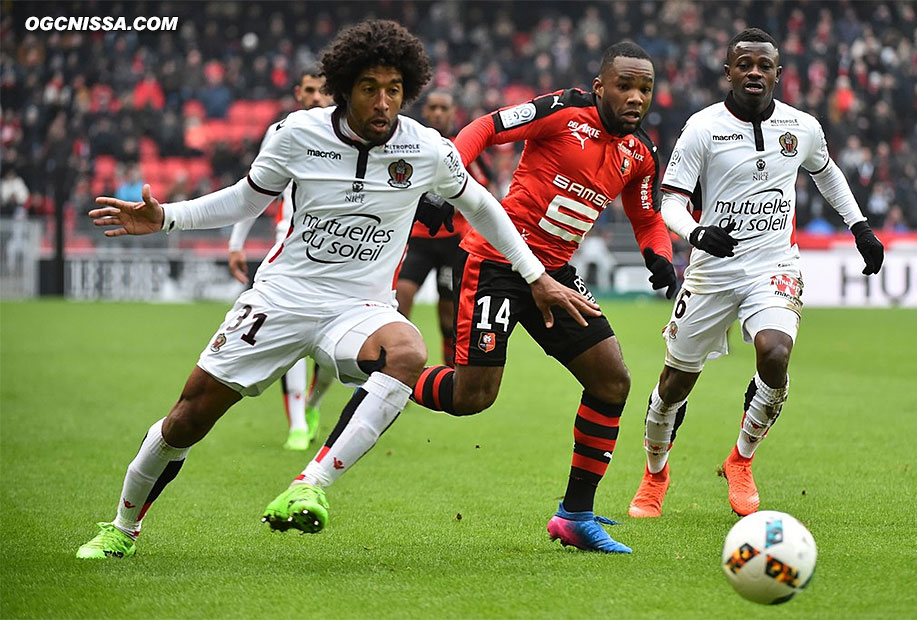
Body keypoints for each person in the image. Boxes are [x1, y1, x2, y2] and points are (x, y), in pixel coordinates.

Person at [76, 19, 598, 560]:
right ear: (345, 87)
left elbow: (484, 208)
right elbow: (243, 201)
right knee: (188, 417)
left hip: (358, 307)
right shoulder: (297, 133)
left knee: (408, 351)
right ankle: (121, 526)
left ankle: (310, 484)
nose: (382, 102)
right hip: (281, 298)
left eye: (394, 90)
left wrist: (535, 276)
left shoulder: (425, 148)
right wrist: (166, 219)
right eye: (370, 88)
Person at [409, 42, 676, 554]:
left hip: (555, 275)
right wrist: (448, 183)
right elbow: (485, 127)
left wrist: (657, 253)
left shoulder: (640, 153)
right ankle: (391, 374)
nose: (636, 96)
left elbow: (647, 217)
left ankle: (574, 514)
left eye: (645, 87)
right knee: (473, 397)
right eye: (625, 85)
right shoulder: (561, 112)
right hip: (496, 263)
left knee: (611, 380)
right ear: (601, 86)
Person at [626, 28, 884, 519]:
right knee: (674, 383)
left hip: (773, 264)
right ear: (728, 72)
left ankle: (741, 460)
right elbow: (672, 201)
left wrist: (859, 225)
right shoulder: (702, 127)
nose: (754, 72)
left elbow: (826, 171)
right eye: (744, 64)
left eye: (764, 65)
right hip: (711, 272)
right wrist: (697, 234)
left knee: (775, 352)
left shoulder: (801, 126)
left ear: (778, 74)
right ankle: (655, 472)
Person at [227, 67, 335, 451]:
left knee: (332, 356)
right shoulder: (281, 132)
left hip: (339, 257)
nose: (317, 97)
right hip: (289, 251)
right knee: (289, 336)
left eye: (324, 90)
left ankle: (314, 403)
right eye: (310, 90)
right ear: (298, 92)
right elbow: (254, 191)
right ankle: (296, 426)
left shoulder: (349, 135)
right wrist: (237, 243)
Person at [395, 89, 493, 366]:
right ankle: (394, 360)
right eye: (433, 108)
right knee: (402, 296)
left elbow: (485, 186)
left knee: (448, 314)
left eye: (444, 108)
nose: (438, 113)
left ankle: (449, 374)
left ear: (453, 113)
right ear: (425, 112)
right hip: (418, 240)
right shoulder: (410, 144)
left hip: (453, 243)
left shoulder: (464, 145)